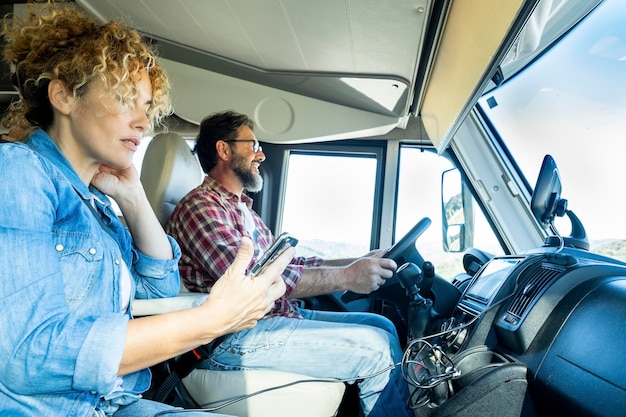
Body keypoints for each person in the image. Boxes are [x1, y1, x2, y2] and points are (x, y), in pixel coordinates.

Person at [0, 4, 293, 417]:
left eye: (147, 106)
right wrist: (211, 320)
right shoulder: (18, 172)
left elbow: (156, 295)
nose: (143, 121)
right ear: (64, 95)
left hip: (113, 401)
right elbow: (28, 356)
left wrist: (134, 199)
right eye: (124, 98)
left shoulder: (100, 204)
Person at [165, 110, 414, 417]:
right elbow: (254, 283)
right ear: (224, 149)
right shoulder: (200, 207)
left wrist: (360, 260)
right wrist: (347, 277)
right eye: (252, 144)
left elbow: (291, 262)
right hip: (231, 337)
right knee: (376, 351)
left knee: (382, 326)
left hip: (272, 318)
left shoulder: (243, 211)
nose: (261, 153)